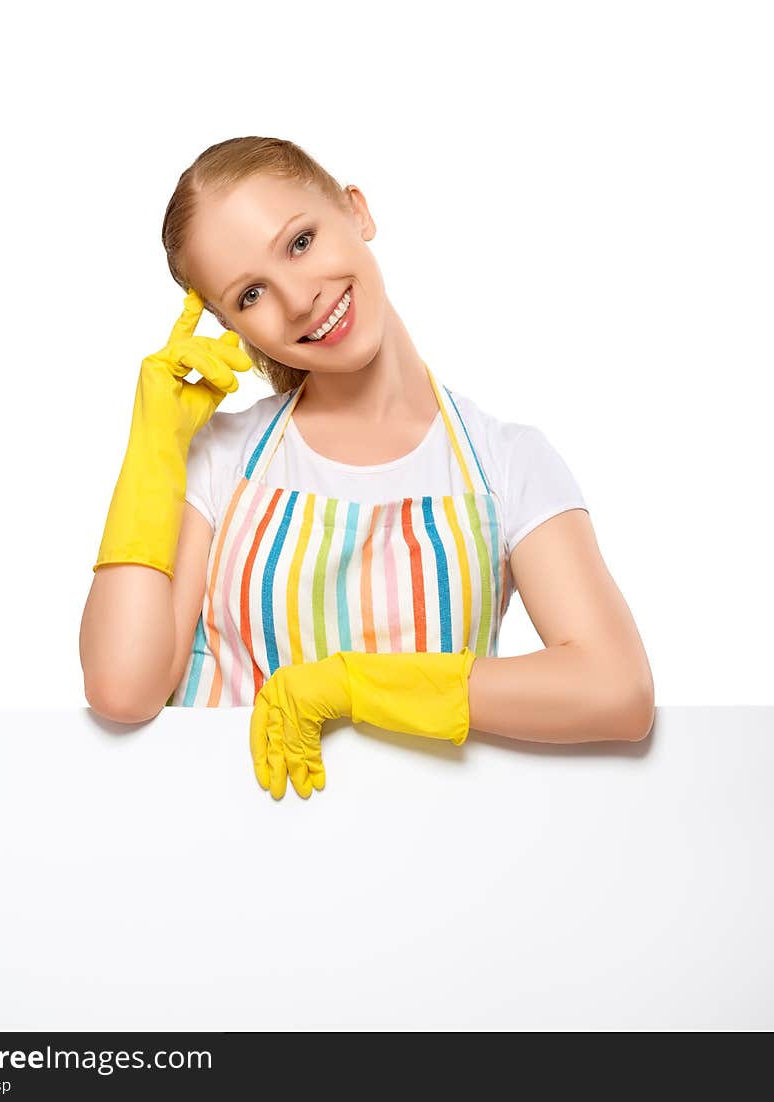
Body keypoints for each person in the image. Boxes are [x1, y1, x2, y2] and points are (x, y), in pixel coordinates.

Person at [79, 136, 655, 800]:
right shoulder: (219, 461)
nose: (298, 299)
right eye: (251, 294)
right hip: (228, 853)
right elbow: (122, 686)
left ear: (356, 210)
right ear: (228, 327)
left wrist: (353, 686)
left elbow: (617, 689)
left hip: (431, 854)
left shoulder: (506, 462)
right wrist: (156, 446)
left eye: (299, 241)